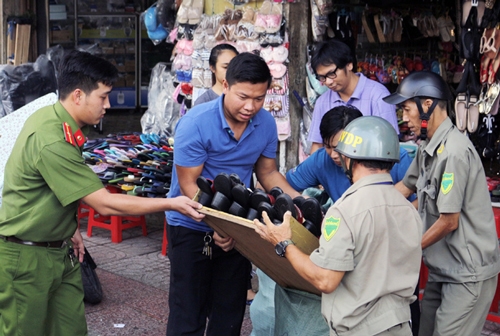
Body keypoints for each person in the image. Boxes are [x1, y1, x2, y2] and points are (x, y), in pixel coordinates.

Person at [0, 50, 204, 336]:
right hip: (27, 257)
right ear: (79, 95)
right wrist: (172, 203)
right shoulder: (51, 138)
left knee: (72, 329)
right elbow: (104, 204)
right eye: (103, 96)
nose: (107, 105)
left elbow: (49, 188)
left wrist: (69, 228)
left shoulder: (57, 121)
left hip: (58, 251)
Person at [250, 105, 419, 336]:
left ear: (349, 156)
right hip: (399, 326)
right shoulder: (409, 210)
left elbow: (325, 280)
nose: (334, 156)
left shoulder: (345, 211)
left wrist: (284, 244)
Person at [165, 52, 299, 336]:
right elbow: (190, 185)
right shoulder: (195, 123)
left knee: (230, 312)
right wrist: (219, 226)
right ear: (224, 85)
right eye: (243, 97)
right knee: (188, 313)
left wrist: (298, 201)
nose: (251, 107)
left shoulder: (266, 124)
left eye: (259, 98)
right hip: (191, 224)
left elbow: (268, 173)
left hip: (238, 225)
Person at [384, 71, 500, 336]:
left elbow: (449, 221)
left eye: (406, 109)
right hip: (442, 267)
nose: (404, 118)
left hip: (467, 272)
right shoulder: (427, 148)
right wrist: (370, 208)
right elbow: (404, 188)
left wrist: (407, 248)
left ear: (427, 105)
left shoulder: (454, 152)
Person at [307, 39, 398, 153]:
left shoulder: (378, 96)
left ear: (349, 65)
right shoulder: (323, 102)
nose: (328, 82)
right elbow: (317, 146)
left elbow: (389, 144)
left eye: (331, 74)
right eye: (322, 77)